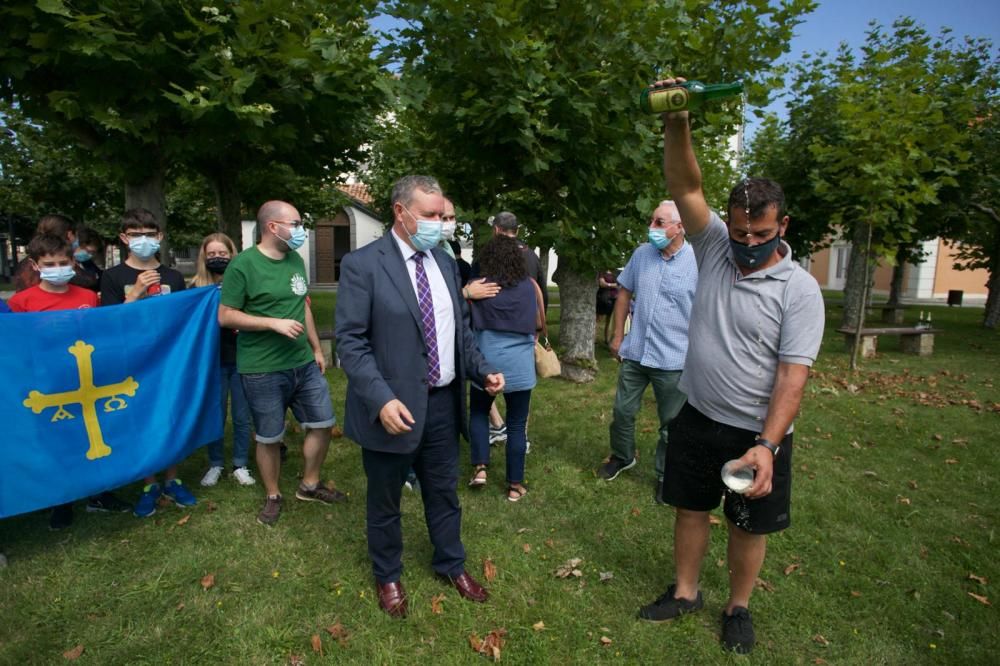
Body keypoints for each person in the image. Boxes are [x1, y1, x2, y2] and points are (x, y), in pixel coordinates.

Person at [639, 76, 825, 655]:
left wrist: (767, 446)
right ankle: (687, 591)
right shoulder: (715, 245)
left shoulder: (799, 290)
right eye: (740, 230)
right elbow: (684, 183)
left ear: (783, 227)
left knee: (747, 523)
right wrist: (677, 120)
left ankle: (738, 607)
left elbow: (793, 378)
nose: (747, 241)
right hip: (699, 413)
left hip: (756, 433)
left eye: (760, 233)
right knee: (690, 508)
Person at [335, 175, 504, 618]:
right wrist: (381, 399)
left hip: (444, 403)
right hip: (393, 408)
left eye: (441, 215)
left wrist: (482, 370)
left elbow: (458, 333)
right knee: (386, 498)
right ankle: (387, 573)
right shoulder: (362, 264)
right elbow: (351, 342)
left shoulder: (446, 263)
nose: (439, 224)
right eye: (429, 215)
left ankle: (452, 563)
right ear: (400, 212)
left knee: (444, 490)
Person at [219, 200, 345, 526]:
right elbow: (226, 315)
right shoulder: (242, 266)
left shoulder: (294, 261)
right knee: (270, 437)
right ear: (273, 227)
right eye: (297, 223)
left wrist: (317, 349)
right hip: (262, 368)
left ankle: (310, 484)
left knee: (322, 423)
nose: (302, 230)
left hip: (302, 362)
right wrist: (272, 323)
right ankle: (273, 494)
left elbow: (302, 306)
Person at [9, 234, 132, 528]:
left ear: (72, 262)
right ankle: (61, 500)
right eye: (49, 264)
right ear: (35, 265)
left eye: (63, 262)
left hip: (87, 378)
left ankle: (99, 494)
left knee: (93, 434)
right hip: (47, 385)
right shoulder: (20, 302)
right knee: (58, 441)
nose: (57, 268)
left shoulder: (88, 297)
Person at [597, 201, 697, 503]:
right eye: (652, 221)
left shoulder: (697, 262)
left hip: (674, 359)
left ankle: (666, 476)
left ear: (680, 227)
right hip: (637, 352)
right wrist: (617, 336)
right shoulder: (642, 254)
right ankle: (622, 456)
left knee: (671, 425)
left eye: (660, 222)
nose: (652, 228)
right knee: (622, 411)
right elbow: (624, 291)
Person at [100, 208, 196, 517]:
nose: (144, 240)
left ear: (160, 237)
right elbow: (109, 323)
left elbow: (183, 319)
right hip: (132, 361)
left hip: (167, 358)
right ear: (124, 238)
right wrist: (138, 292)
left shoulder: (173, 276)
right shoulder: (112, 277)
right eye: (136, 234)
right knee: (140, 420)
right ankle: (148, 483)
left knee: (169, 417)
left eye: (149, 234)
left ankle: (173, 478)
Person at [466, 234, 542, 502]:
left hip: (485, 362)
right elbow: (537, 324)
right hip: (520, 364)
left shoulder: (478, 286)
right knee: (517, 424)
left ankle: (480, 468)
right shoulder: (528, 287)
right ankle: (514, 485)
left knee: (478, 412)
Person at [191, 233, 255, 487]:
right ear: (204, 258)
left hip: (242, 359)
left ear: (232, 254)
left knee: (242, 416)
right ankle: (215, 463)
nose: (217, 258)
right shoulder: (195, 288)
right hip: (211, 363)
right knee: (214, 415)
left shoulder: (245, 282)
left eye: (223, 253)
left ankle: (240, 463)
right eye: (212, 255)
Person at [12, 214, 99, 293]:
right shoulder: (64, 263)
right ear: (69, 234)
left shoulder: (26, 263)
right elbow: (88, 283)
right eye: (49, 264)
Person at [73, 227, 105, 292]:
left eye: (93, 253)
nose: (90, 255)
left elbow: (101, 278)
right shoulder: (63, 265)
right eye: (89, 251)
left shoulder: (88, 263)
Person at [595, 269, 619, 344]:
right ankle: (594, 338)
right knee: (598, 319)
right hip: (603, 298)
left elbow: (618, 284)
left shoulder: (616, 272)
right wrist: (612, 285)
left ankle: (607, 339)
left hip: (614, 298)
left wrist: (607, 284)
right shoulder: (602, 272)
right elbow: (602, 283)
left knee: (609, 320)